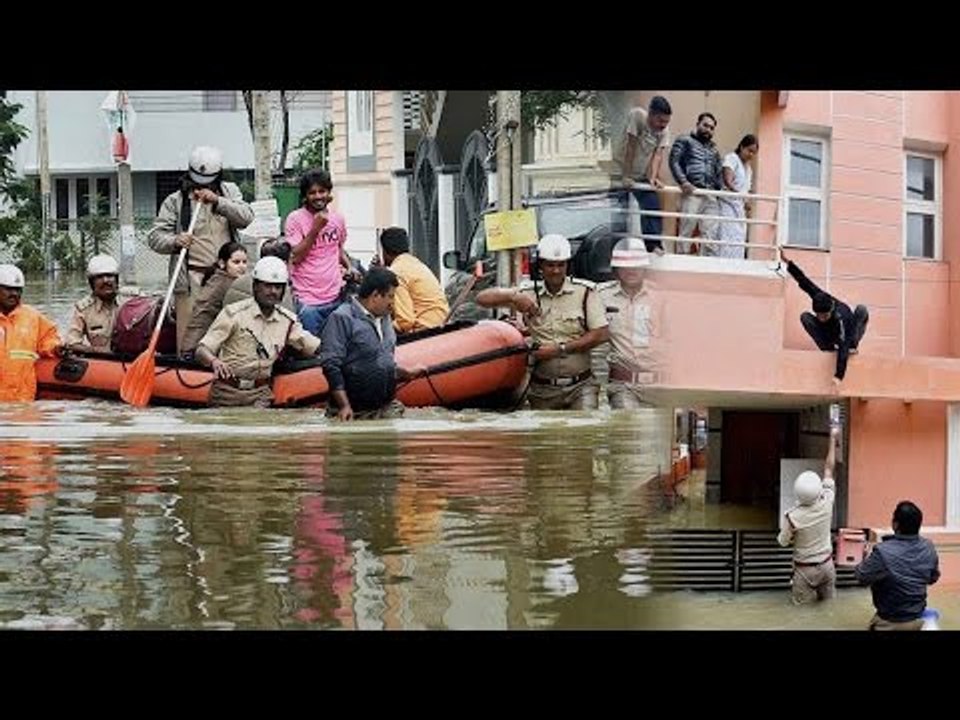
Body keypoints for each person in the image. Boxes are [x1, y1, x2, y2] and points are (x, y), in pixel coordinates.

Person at [476, 234, 609, 410]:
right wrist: (513, 296)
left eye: (560, 265)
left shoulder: (585, 292)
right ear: (540, 266)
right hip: (541, 389)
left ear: (567, 265)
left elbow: (600, 334)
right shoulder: (527, 292)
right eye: (550, 265)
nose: (555, 271)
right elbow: (482, 299)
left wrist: (560, 349)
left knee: (584, 429)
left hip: (581, 386)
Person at [147, 145, 254, 354]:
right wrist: (175, 241)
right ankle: (187, 367)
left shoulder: (230, 192)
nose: (202, 186)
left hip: (226, 275)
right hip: (191, 279)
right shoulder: (175, 201)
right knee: (190, 335)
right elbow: (154, 238)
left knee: (230, 328)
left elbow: (246, 217)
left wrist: (218, 201)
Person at [195, 257, 321, 408]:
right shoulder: (233, 314)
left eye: (278, 287)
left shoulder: (288, 322)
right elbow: (202, 350)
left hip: (260, 393)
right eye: (267, 286)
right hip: (226, 391)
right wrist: (214, 361)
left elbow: (314, 346)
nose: (273, 291)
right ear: (255, 286)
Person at [319, 267, 425, 421]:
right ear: (375, 295)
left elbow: (380, 362)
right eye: (390, 297)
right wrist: (344, 406)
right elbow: (331, 365)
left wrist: (406, 373)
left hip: (385, 407)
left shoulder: (386, 319)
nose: (393, 303)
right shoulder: (342, 318)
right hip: (351, 411)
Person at [284, 168, 359, 335]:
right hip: (308, 302)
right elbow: (295, 257)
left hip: (336, 296)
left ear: (329, 192)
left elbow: (337, 248)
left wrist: (349, 266)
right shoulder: (295, 219)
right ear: (305, 196)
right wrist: (315, 229)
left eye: (322, 191)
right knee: (312, 353)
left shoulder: (337, 218)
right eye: (312, 192)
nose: (318, 196)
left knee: (337, 349)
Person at [855, 500, 940, 631]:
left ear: (895, 524)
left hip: (889, 621)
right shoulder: (928, 547)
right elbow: (932, 579)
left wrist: (866, 555)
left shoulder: (882, 552)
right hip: (918, 618)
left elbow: (861, 577)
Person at [777, 425, 839, 604]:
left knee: (801, 612)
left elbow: (782, 542)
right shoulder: (826, 502)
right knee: (828, 607)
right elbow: (829, 468)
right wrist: (833, 439)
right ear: (819, 490)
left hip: (804, 571)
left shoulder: (792, 517)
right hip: (827, 565)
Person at [783, 255, 869, 383]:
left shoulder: (841, 316)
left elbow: (843, 348)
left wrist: (839, 376)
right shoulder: (818, 296)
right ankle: (827, 348)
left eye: (824, 316)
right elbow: (804, 281)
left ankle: (853, 345)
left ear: (831, 309)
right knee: (805, 317)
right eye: (818, 315)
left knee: (861, 309)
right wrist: (788, 263)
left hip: (848, 338)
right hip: (829, 337)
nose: (821, 318)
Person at [598, 238, 662, 408]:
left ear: (645, 268)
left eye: (636, 266)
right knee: (631, 428)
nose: (631, 271)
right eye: (625, 266)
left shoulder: (661, 297)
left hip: (659, 383)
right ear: (616, 269)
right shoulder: (601, 295)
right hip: (622, 385)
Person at [619, 95, 672, 255]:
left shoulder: (664, 131)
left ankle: (653, 244)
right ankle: (617, 244)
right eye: (661, 121)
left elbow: (657, 155)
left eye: (666, 122)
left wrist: (653, 177)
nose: (663, 126)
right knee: (620, 209)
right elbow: (631, 147)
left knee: (652, 204)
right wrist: (626, 176)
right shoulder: (638, 117)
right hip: (619, 171)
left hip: (640, 175)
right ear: (651, 114)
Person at [0, 263, 61, 402]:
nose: (14, 294)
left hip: (24, 400)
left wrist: (56, 348)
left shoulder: (32, 316)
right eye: (8, 289)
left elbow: (49, 338)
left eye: (18, 290)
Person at [179, 241, 249, 357]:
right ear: (222, 263)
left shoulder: (218, 277)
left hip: (194, 344)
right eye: (236, 262)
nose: (242, 266)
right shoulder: (228, 284)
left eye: (244, 262)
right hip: (199, 348)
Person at [374, 226, 449, 333]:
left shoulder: (396, 272)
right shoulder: (415, 264)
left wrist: (380, 330)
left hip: (424, 333)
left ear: (385, 251)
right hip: (440, 325)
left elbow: (405, 322)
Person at [669, 112, 724, 255]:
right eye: (705, 125)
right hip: (692, 192)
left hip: (711, 195)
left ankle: (706, 265)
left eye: (712, 128)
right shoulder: (685, 140)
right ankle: (681, 262)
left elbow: (719, 174)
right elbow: (673, 161)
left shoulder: (714, 150)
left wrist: (720, 192)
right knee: (686, 230)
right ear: (698, 124)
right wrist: (683, 182)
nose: (708, 130)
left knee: (710, 234)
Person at [65, 254, 123, 351]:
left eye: (109, 276)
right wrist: (95, 351)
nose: (105, 280)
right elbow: (72, 343)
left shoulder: (132, 302)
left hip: (134, 360)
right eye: (99, 277)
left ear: (116, 280)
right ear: (92, 283)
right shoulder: (84, 309)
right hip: (102, 361)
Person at [222, 238, 295, 312]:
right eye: (291, 262)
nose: (273, 290)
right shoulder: (282, 293)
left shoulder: (238, 282)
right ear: (284, 264)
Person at [716, 134, 759, 259]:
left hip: (739, 208)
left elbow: (746, 189)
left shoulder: (749, 169)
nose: (751, 155)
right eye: (749, 150)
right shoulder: (732, 158)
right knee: (727, 236)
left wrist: (747, 203)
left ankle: (735, 262)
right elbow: (727, 180)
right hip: (728, 204)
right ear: (741, 147)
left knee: (739, 239)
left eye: (754, 152)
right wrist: (737, 193)